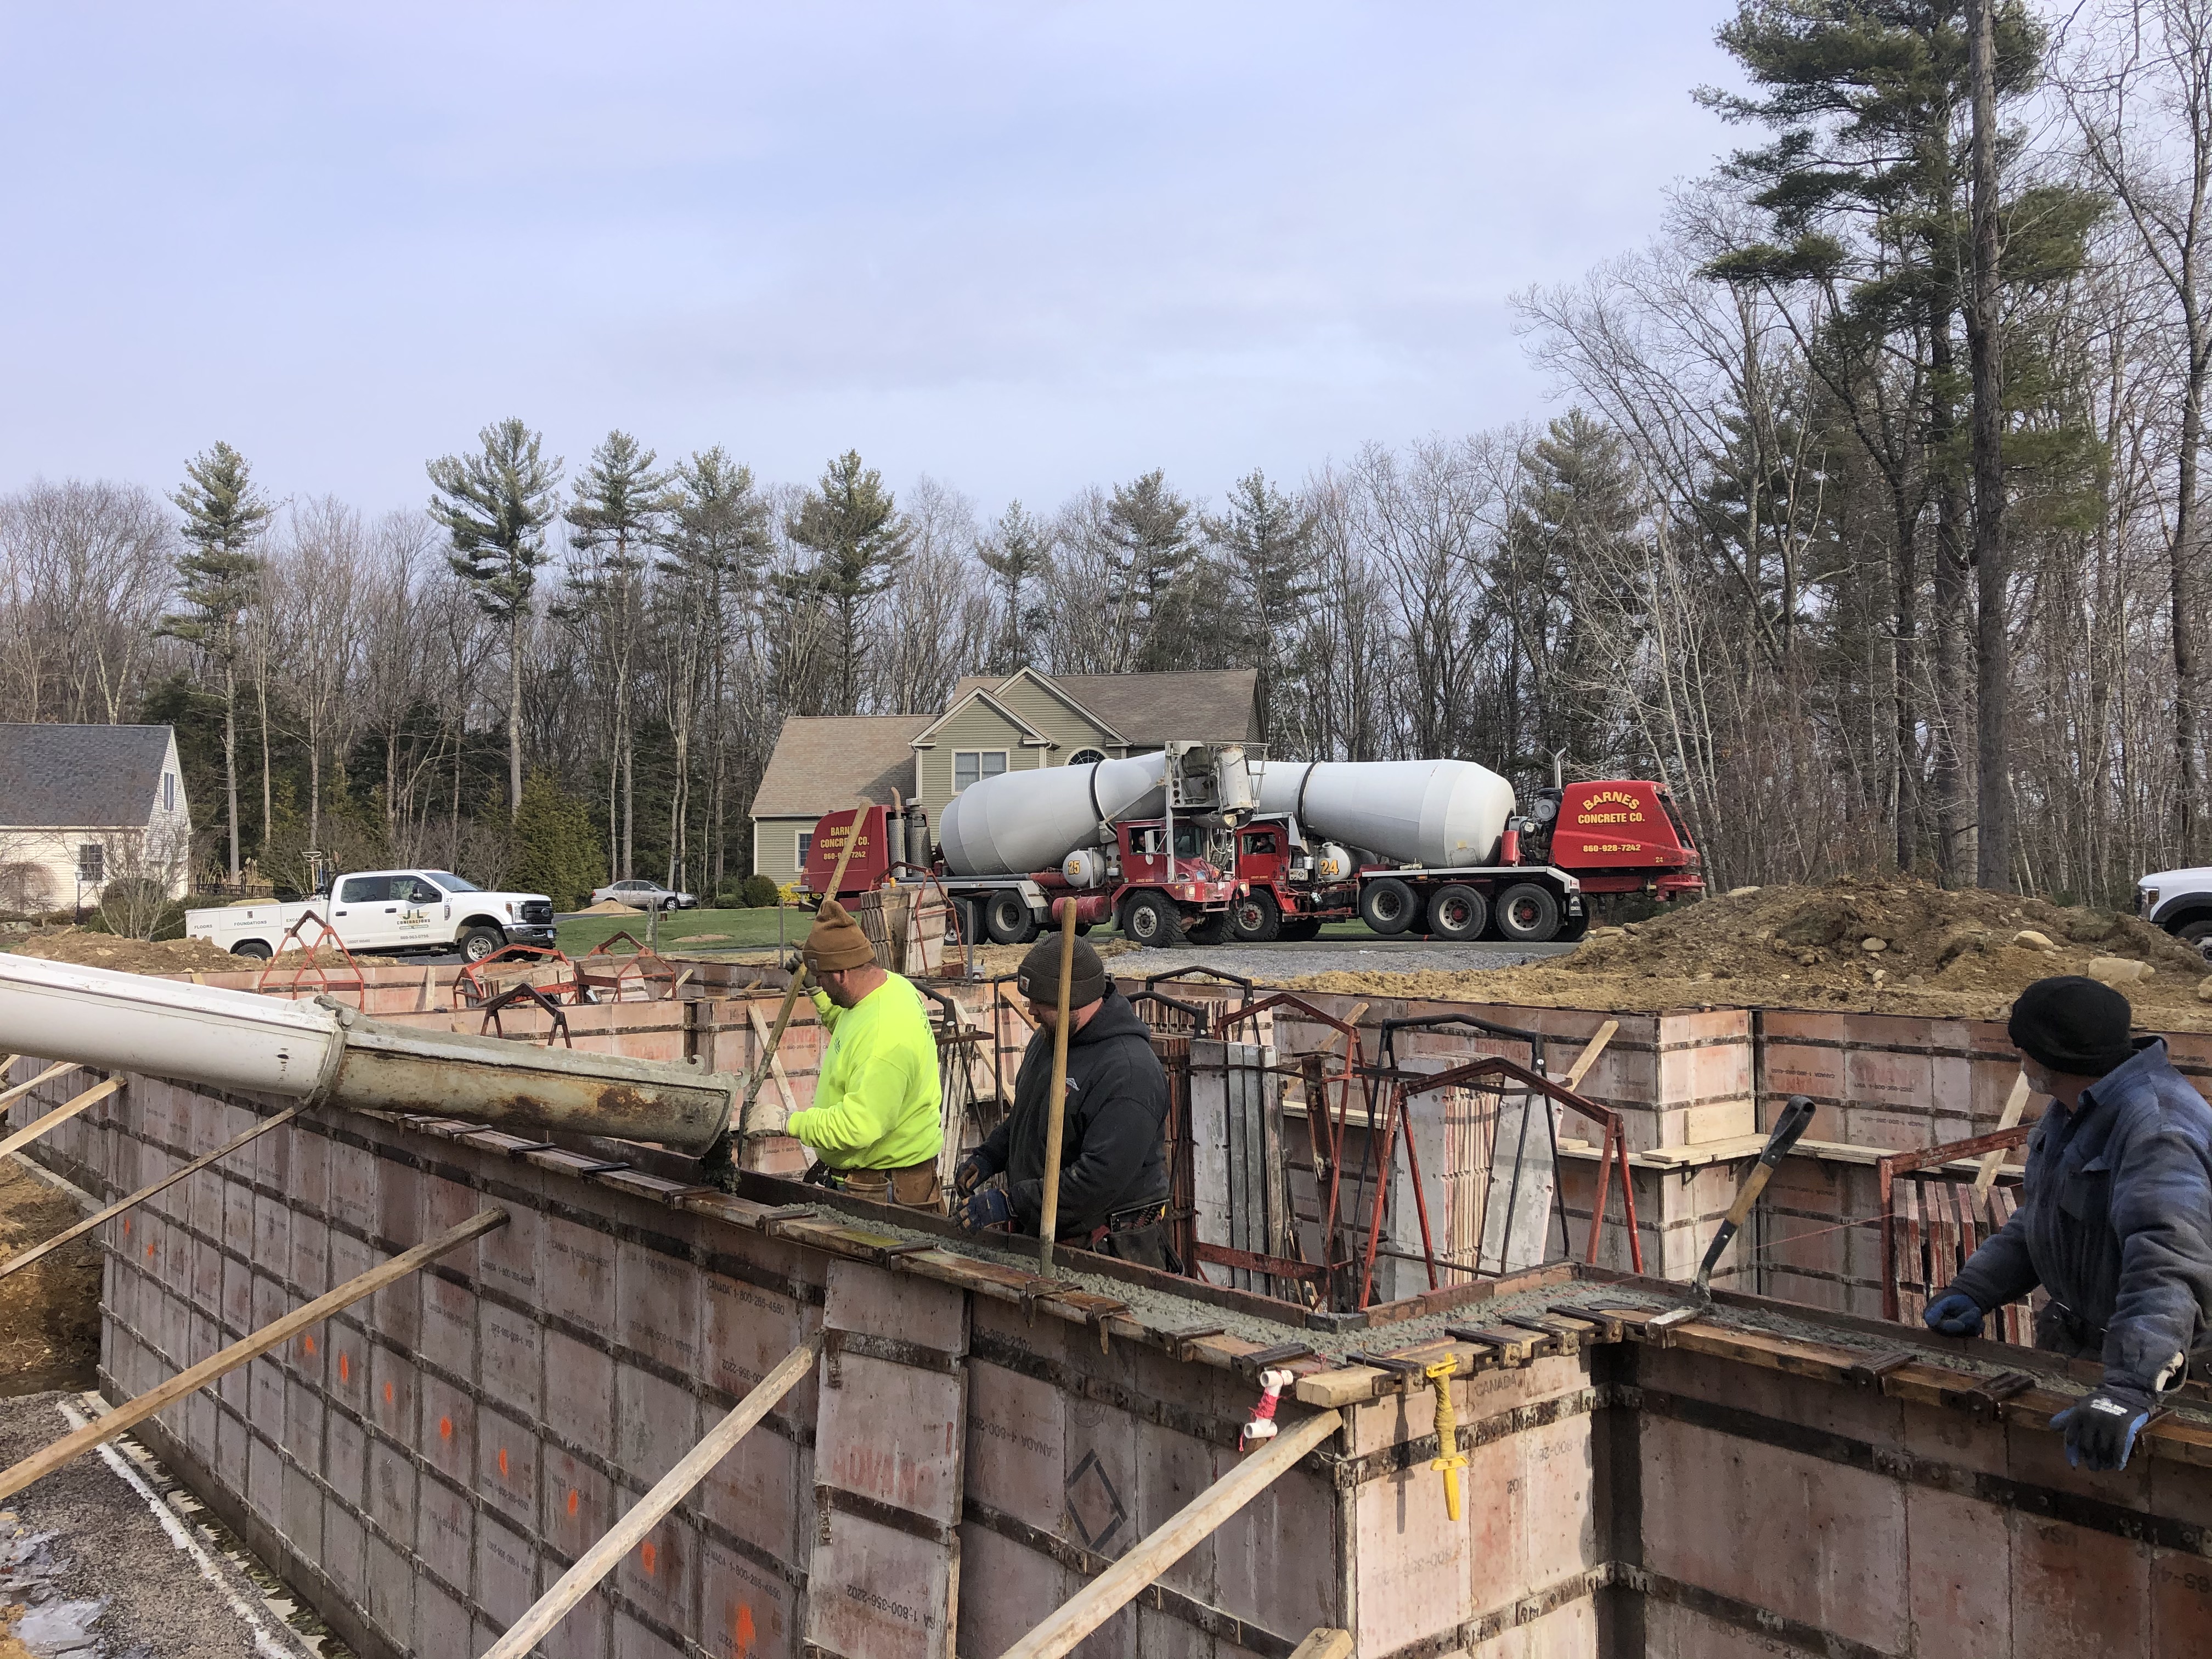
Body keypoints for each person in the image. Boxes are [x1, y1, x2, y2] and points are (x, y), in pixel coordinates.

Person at [1926, 975, 2212, 1472]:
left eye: (2024, 1049)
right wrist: (1976, 1289)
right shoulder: (2073, 1109)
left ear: (2052, 1057)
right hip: (2080, 1345)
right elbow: (2042, 1215)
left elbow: (2167, 1265)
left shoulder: (2156, 1130)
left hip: (2163, 1372)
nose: (2020, 1060)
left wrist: (2128, 1389)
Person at [952, 934, 1175, 1268]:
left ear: (1073, 999)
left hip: (1109, 1253)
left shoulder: (1129, 1072)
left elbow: (1096, 1181)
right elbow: (1030, 1115)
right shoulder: (1051, 1040)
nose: (1031, 1010)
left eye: (1040, 1002)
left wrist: (1012, 1203)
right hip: (1047, 1237)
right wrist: (990, 1156)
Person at [771, 898, 944, 1210]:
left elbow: (858, 1126)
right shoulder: (887, 988)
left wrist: (788, 1123)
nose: (820, 984)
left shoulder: (885, 1034)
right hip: (874, 1179)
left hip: (887, 1189)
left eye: (821, 978)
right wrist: (816, 993)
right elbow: (851, 1030)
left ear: (841, 974)